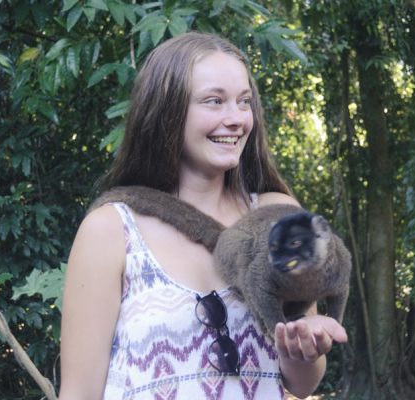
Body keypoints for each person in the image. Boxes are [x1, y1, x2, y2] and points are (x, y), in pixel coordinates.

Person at [58, 31, 347, 400]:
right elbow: (79, 393)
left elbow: (302, 384)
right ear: (167, 110)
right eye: (214, 101)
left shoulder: (280, 216)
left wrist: (303, 348)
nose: (236, 119)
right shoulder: (110, 230)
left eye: (244, 102)